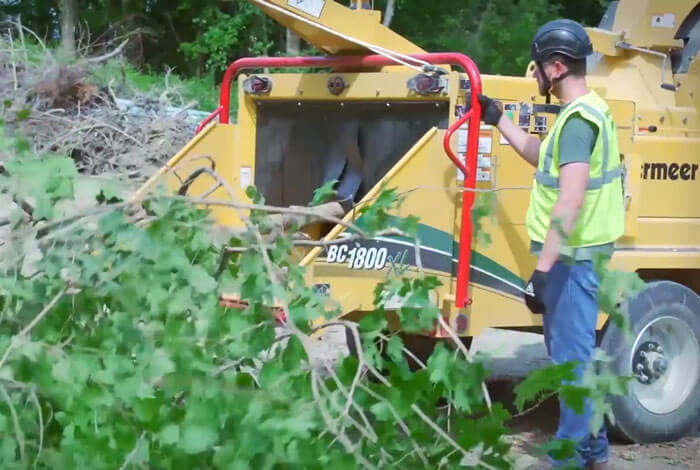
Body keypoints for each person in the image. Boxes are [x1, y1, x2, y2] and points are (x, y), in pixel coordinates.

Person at [476, 19, 625, 469]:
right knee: (572, 353)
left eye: (539, 65)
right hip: (576, 255)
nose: (533, 73)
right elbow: (540, 156)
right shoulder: (581, 113)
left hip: (573, 259)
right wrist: (499, 118)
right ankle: (593, 449)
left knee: (572, 361)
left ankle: (569, 456)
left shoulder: (579, 122)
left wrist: (542, 269)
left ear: (557, 67)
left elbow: (571, 198)